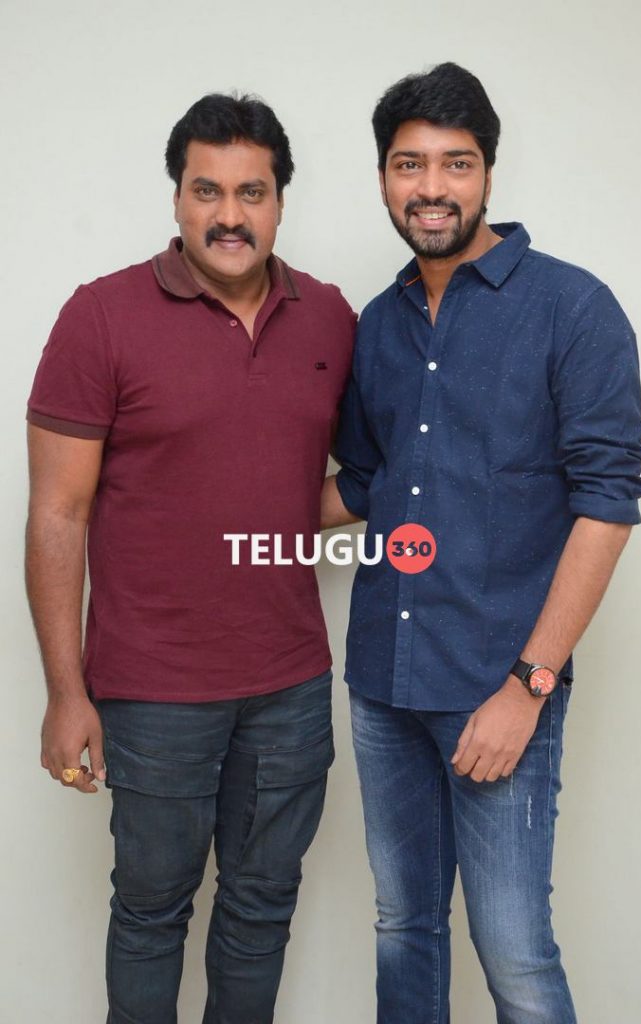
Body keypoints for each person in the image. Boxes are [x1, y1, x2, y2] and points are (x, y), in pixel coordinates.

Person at [321, 62, 641, 1024]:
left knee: (514, 955)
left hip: (499, 687)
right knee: (403, 926)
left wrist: (529, 686)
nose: (431, 187)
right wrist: (204, 507)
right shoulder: (377, 325)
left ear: (488, 173)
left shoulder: (572, 309)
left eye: (455, 163)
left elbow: (606, 506)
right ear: (384, 178)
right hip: (383, 683)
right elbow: (366, 483)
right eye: (409, 164)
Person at [26, 92, 354, 1024]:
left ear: (280, 201)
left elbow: (339, 483)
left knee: (261, 910)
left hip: (290, 685)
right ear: (177, 197)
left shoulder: (331, 318)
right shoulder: (101, 316)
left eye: (252, 192)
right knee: (150, 912)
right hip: (154, 690)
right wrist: (66, 692)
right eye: (207, 190)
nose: (229, 215)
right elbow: (57, 513)